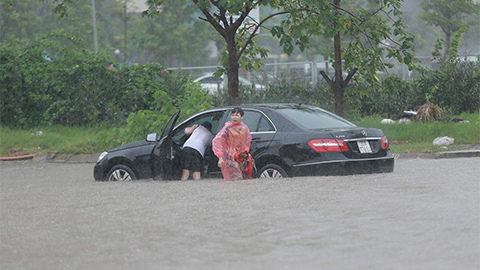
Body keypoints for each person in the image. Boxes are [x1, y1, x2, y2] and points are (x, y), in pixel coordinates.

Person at [212, 107, 252, 181]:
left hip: (240, 158)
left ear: (242, 117)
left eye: (237, 115)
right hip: (229, 157)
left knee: (241, 179)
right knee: (230, 179)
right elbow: (218, 141)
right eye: (233, 115)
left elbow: (247, 142)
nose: (234, 117)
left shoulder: (245, 128)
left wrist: (245, 154)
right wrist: (220, 157)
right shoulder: (227, 128)